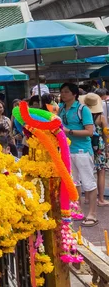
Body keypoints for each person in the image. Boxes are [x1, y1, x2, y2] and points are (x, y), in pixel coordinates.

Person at [59, 83, 97, 227]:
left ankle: (92, 213)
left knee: (88, 182)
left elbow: (89, 131)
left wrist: (68, 131)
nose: (63, 94)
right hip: (68, 151)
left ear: (74, 94)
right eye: (62, 92)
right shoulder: (61, 109)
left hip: (82, 150)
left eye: (66, 92)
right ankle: (78, 210)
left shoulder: (83, 109)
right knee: (74, 183)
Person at [82, 93, 109, 207]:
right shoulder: (101, 117)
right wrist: (107, 149)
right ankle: (101, 199)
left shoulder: (83, 116)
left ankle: (87, 198)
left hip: (86, 145)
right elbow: (106, 134)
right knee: (101, 172)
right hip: (99, 146)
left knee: (88, 172)